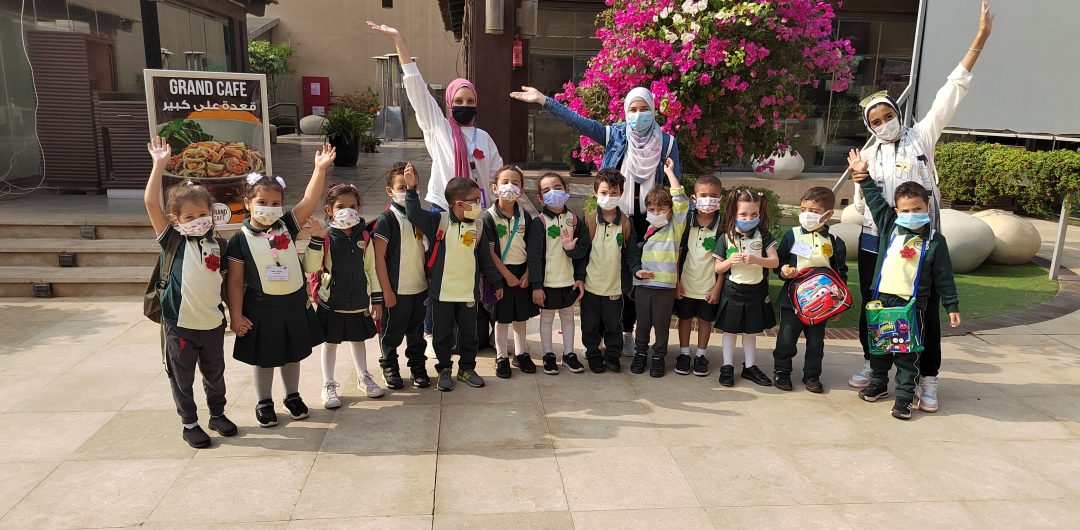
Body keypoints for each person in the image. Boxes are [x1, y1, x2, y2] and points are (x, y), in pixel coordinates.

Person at [848, 1, 993, 415]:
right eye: (876, 121)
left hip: (923, 245)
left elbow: (951, 91)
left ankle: (927, 378)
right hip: (878, 244)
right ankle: (875, 366)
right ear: (869, 126)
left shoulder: (921, 137)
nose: (884, 123)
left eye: (887, 115)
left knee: (924, 313)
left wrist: (979, 38)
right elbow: (861, 205)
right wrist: (859, 179)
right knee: (876, 306)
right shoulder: (867, 155)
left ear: (898, 113)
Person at [511, 85, 679, 355]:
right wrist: (543, 100)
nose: (638, 115)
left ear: (653, 109)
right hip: (614, 214)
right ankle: (600, 333)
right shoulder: (616, 135)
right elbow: (579, 122)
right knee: (605, 270)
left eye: (644, 109)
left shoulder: (667, 143)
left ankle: (626, 331)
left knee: (635, 277)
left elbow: (673, 186)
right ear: (626, 111)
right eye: (633, 109)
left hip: (650, 221)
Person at [369, 21, 504, 339]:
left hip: (475, 215)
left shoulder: (484, 137)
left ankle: (468, 331)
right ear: (449, 102)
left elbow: (496, 176)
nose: (464, 106)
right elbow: (417, 90)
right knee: (438, 269)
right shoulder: (438, 128)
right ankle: (432, 330)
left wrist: (499, 202)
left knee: (469, 270)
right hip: (442, 211)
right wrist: (399, 41)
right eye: (459, 101)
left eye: (469, 102)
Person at [225, 146, 332, 427]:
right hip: (261, 308)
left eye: (275, 203)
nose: (269, 208)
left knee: (292, 353)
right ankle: (264, 401)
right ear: (248, 203)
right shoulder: (239, 240)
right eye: (262, 202)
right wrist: (236, 316)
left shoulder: (286, 225)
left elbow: (309, 199)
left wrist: (320, 168)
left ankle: (292, 396)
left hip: (293, 304)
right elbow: (234, 281)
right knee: (264, 357)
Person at [144, 136, 237, 448]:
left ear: (211, 213)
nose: (198, 221)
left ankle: (217, 414)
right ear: (176, 220)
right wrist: (159, 165)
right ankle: (190, 423)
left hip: (212, 325)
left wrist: (233, 315)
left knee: (215, 374)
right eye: (189, 217)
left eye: (202, 215)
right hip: (180, 325)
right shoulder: (173, 240)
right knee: (182, 377)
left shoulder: (218, 243)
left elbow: (225, 283)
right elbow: (151, 203)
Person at [851, 158, 961, 420]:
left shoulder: (935, 241)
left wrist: (952, 305)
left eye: (917, 209)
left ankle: (904, 397)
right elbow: (875, 201)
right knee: (879, 347)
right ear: (896, 211)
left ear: (928, 207)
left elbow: (944, 277)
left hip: (911, 307)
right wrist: (863, 176)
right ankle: (878, 382)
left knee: (906, 354)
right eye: (905, 210)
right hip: (882, 301)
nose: (911, 214)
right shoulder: (890, 227)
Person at [402, 164, 503, 391]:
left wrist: (496, 282)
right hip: (442, 294)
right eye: (474, 200)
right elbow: (414, 214)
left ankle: (467, 368)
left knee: (469, 334)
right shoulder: (439, 221)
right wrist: (411, 190)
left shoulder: (478, 226)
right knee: (442, 335)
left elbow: (485, 259)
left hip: (468, 293)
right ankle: (444, 369)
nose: (479, 205)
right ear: (458, 204)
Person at [302, 183, 384, 409]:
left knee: (358, 340)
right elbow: (310, 266)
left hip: (359, 302)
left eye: (352, 206)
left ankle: (363, 377)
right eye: (340, 206)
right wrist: (317, 238)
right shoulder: (327, 236)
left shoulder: (365, 236)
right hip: (332, 303)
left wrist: (376, 299)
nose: (347, 210)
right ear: (329, 210)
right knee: (330, 343)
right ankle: (328, 384)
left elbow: (371, 269)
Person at [772, 187, 848, 393]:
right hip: (792, 299)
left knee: (816, 342)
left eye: (813, 211)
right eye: (803, 209)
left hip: (821, 302)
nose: (807, 214)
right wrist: (783, 271)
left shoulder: (834, 242)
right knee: (786, 338)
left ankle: (812, 375)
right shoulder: (792, 235)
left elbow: (840, 274)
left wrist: (839, 305)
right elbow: (779, 261)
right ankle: (782, 370)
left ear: (828, 214)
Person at [373, 162, 432, 390]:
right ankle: (389, 366)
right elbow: (378, 259)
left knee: (416, 334)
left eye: (412, 186)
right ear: (390, 191)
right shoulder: (387, 219)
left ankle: (417, 366)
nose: (408, 191)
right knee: (390, 333)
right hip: (397, 290)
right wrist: (386, 291)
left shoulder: (419, 216)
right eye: (402, 187)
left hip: (419, 287)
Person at [712, 189, 779, 388]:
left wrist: (756, 259)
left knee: (751, 331)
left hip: (756, 292)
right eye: (743, 214)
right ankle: (727, 366)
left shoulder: (764, 236)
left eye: (753, 214)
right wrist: (729, 261)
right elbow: (717, 268)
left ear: (759, 213)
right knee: (730, 331)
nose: (748, 219)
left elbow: (775, 262)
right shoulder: (726, 237)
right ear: (733, 213)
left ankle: (750, 367)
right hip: (733, 292)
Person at [630, 158, 688, 378]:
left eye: (661, 208)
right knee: (643, 323)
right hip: (644, 285)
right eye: (652, 209)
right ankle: (640, 353)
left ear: (670, 211)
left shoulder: (675, 228)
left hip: (664, 287)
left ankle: (658, 357)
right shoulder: (647, 231)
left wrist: (670, 173)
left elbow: (680, 200)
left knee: (662, 325)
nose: (656, 212)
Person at [527, 172, 589, 375]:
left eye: (557, 187)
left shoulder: (575, 220)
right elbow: (534, 257)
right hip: (547, 284)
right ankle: (548, 355)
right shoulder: (539, 222)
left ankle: (569, 354)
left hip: (569, 282)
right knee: (546, 319)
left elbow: (581, 254)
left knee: (568, 317)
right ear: (540, 198)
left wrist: (580, 278)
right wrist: (537, 286)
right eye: (546, 190)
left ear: (567, 190)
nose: (553, 193)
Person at [580, 168, 642, 373]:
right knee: (590, 325)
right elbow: (581, 253)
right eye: (604, 192)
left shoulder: (625, 223)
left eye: (614, 193)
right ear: (595, 193)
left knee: (614, 325)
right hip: (590, 286)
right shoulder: (588, 220)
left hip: (614, 287)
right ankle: (593, 354)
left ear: (621, 193)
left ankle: (612, 356)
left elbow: (632, 253)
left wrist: (636, 270)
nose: (609, 197)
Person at [480, 166, 540, 378]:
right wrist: (506, 276)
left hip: (522, 272)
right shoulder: (489, 217)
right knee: (502, 317)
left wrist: (528, 273)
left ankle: (521, 353)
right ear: (494, 188)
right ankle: (501, 356)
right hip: (501, 273)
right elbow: (490, 252)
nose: (510, 187)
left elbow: (532, 249)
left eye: (515, 183)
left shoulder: (525, 216)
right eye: (505, 182)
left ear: (521, 190)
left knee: (520, 316)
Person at [673, 174, 724, 377]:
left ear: (720, 199)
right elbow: (677, 254)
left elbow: (725, 261)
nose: (709, 200)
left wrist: (717, 287)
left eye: (714, 196)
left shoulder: (723, 226)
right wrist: (676, 281)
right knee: (684, 319)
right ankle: (684, 353)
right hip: (686, 284)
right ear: (694, 199)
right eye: (703, 195)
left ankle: (701, 355)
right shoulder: (685, 223)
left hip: (709, 286)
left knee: (705, 321)